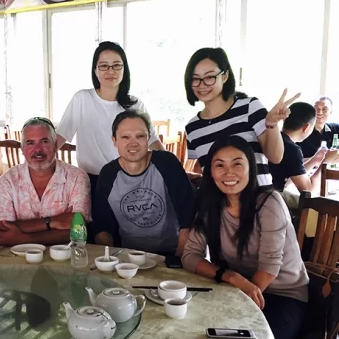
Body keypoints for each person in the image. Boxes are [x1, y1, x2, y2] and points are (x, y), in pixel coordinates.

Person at [182, 136, 309, 339]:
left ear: (251, 168)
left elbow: (269, 268)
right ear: (210, 172)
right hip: (235, 288)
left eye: (237, 164)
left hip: (282, 295)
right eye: (219, 165)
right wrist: (229, 276)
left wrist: (238, 298)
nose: (228, 173)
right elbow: (190, 255)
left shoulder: (269, 202)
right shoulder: (210, 204)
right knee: (190, 330)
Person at [56, 41, 164, 200]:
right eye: (104, 66)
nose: (110, 71)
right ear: (95, 70)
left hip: (129, 180)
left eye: (116, 65)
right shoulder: (82, 99)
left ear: (124, 69)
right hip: (89, 181)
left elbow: (153, 143)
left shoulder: (135, 104)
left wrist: (171, 169)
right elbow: (59, 138)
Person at [184, 47, 300, 186]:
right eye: (195, 79)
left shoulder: (250, 107)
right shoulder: (192, 128)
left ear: (225, 76)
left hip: (259, 200)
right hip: (219, 205)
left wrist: (271, 124)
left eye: (209, 77)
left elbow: (276, 157)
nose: (202, 85)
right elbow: (204, 170)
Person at [93, 110, 194, 256]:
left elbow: (188, 220)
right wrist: (112, 259)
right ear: (114, 141)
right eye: (125, 137)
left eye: (140, 136)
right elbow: (102, 228)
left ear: (148, 138)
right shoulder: (108, 174)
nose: (133, 143)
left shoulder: (167, 163)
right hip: (127, 255)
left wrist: (178, 261)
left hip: (171, 253)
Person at [0, 117, 91, 246]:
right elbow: (3, 230)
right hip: (18, 258)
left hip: (65, 257)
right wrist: (52, 222)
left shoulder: (77, 177)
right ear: (22, 148)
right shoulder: (7, 181)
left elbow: (78, 232)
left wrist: (22, 239)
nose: (38, 149)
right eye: (30, 143)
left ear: (55, 145)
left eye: (44, 141)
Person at [269, 102, 328, 193]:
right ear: (306, 127)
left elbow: (290, 179)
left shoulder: (273, 140)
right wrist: (326, 162)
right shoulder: (292, 149)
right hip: (273, 198)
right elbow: (308, 191)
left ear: (285, 120)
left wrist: (315, 160)